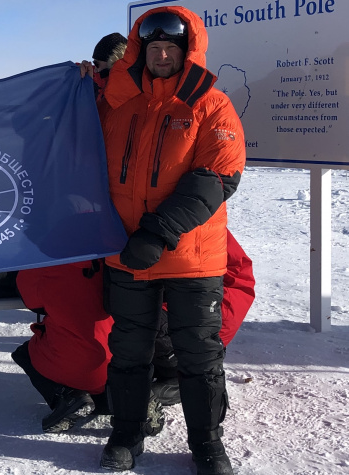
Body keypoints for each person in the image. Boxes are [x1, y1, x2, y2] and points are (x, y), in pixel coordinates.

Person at [97, 6, 246, 474]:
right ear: (142, 50)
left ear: (188, 51)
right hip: (126, 254)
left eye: (171, 48)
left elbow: (217, 177)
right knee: (128, 351)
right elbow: (66, 136)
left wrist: (158, 232)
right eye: (154, 47)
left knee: (199, 355)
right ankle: (125, 434)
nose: (162, 55)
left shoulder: (211, 104)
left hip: (191, 257)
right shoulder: (116, 102)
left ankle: (207, 444)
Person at [12, 229, 254, 434]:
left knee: (28, 352)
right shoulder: (203, 225)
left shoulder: (71, 241)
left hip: (126, 349)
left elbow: (31, 297)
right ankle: (170, 386)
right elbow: (240, 274)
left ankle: (78, 396)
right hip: (206, 338)